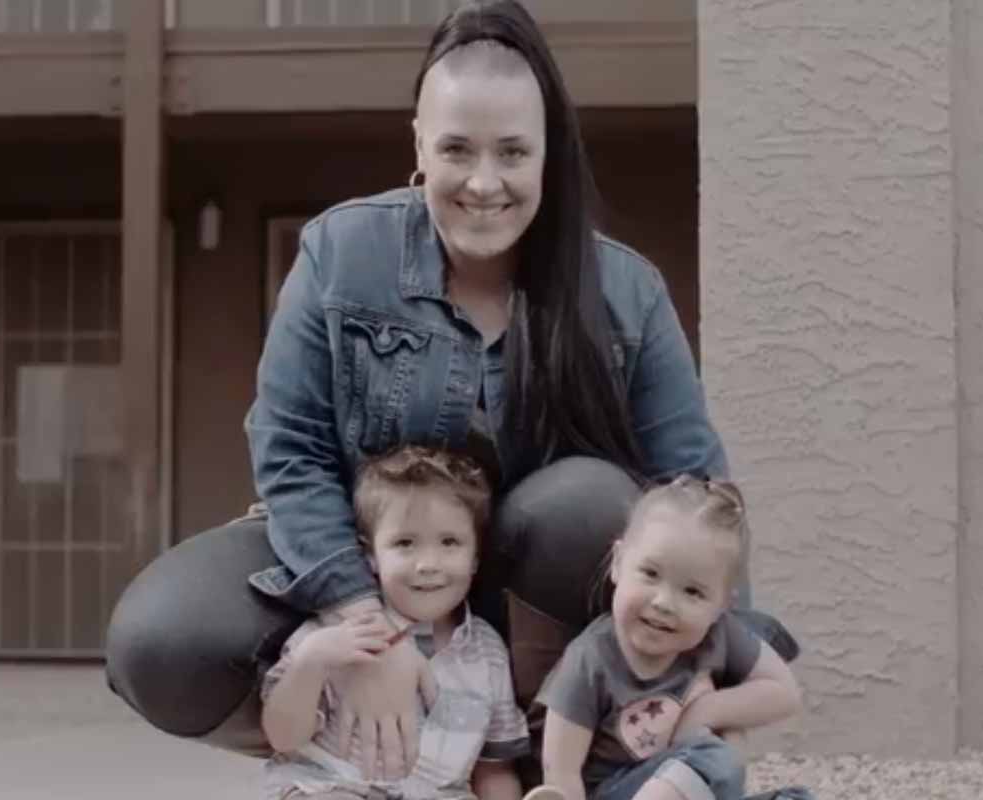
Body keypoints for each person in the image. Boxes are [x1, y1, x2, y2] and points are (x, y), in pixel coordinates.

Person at [104, 0, 798, 779]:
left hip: (533, 593)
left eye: (512, 153)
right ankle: (359, 751)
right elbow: (290, 446)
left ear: (548, 156)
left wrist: (716, 652)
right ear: (419, 148)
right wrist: (364, 624)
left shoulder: (625, 292)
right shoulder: (343, 253)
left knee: (588, 503)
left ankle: (544, 763)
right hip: (371, 557)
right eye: (457, 150)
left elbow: (694, 484)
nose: (483, 183)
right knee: (158, 641)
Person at [261, 446, 529, 799]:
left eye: (450, 542)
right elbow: (282, 737)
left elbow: (494, 770)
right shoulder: (335, 634)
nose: (428, 563)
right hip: (336, 785)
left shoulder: (488, 651)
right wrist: (311, 661)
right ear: (370, 555)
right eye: (405, 543)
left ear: (476, 558)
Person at [528, 478, 808, 800]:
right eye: (650, 573)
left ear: (722, 605)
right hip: (618, 792)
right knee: (715, 756)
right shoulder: (590, 661)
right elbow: (561, 772)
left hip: (691, 784)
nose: (663, 602)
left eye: (692, 591)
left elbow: (784, 694)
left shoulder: (720, 635)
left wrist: (706, 711)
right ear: (618, 563)